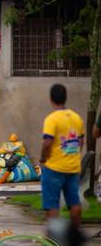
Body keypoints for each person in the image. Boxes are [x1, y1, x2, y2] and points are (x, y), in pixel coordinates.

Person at [39, 83, 85, 227]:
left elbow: (47, 143)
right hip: (73, 168)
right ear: (65, 98)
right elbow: (80, 141)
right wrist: (74, 156)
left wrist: (43, 158)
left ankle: (53, 238)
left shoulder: (52, 119)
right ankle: (75, 235)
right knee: (74, 203)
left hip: (54, 168)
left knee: (52, 205)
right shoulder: (77, 118)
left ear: (51, 99)